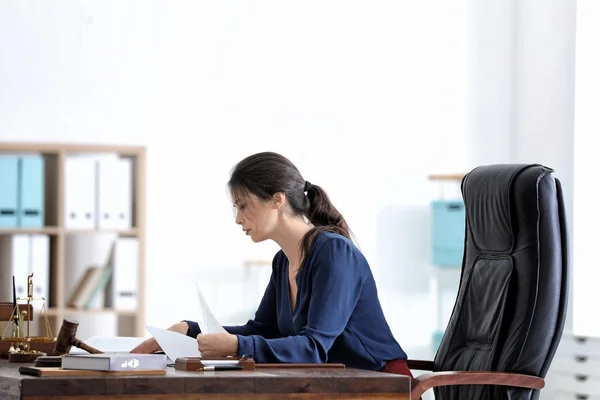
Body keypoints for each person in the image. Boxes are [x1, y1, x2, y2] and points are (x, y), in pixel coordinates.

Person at [130, 151, 413, 378]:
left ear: (277, 199)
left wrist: (238, 346)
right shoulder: (283, 261)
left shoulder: (334, 252)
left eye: (243, 205)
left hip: (380, 383)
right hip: (331, 382)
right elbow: (263, 330)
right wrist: (188, 330)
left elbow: (314, 348)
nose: (238, 219)